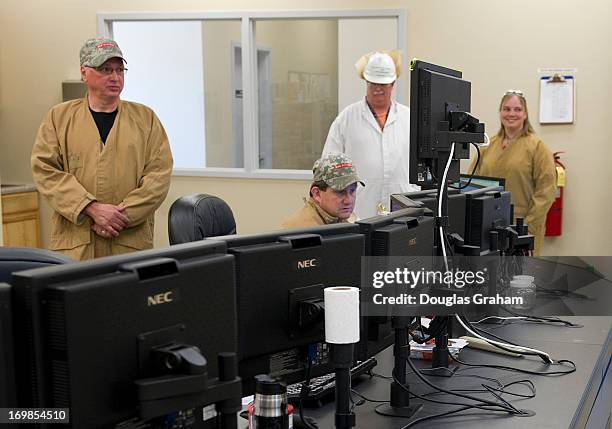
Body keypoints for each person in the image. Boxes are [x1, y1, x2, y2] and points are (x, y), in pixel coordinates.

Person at [31, 38, 173, 260]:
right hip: (77, 246)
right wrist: (90, 208)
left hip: (128, 242)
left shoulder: (146, 119)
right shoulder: (59, 118)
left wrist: (119, 216)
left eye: (119, 70)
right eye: (105, 69)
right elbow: (45, 171)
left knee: (128, 294)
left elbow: (158, 177)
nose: (115, 77)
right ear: (84, 72)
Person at [322, 50, 418, 219]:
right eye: (373, 83)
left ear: (393, 83)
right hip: (359, 211)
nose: (377, 89)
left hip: (403, 209)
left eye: (383, 84)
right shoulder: (347, 118)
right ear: (365, 81)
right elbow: (327, 166)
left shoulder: (409, 119)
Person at [469, 90, 556, 255]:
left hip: (523, 227)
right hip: (489, 227)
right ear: (500, 112)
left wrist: (527, 225)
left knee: (519, 276)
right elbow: (471, 182)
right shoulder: (488, 146)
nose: (511, 114)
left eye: (517, 109)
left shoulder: (536, 146)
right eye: (506, 109)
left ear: (525, 114)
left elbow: (546, 190)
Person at [281, 153, 364, 229]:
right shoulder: (302, 232)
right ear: (317, 194)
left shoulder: (343, 216)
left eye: (352, 191)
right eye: (340, 192)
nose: (348, 201)